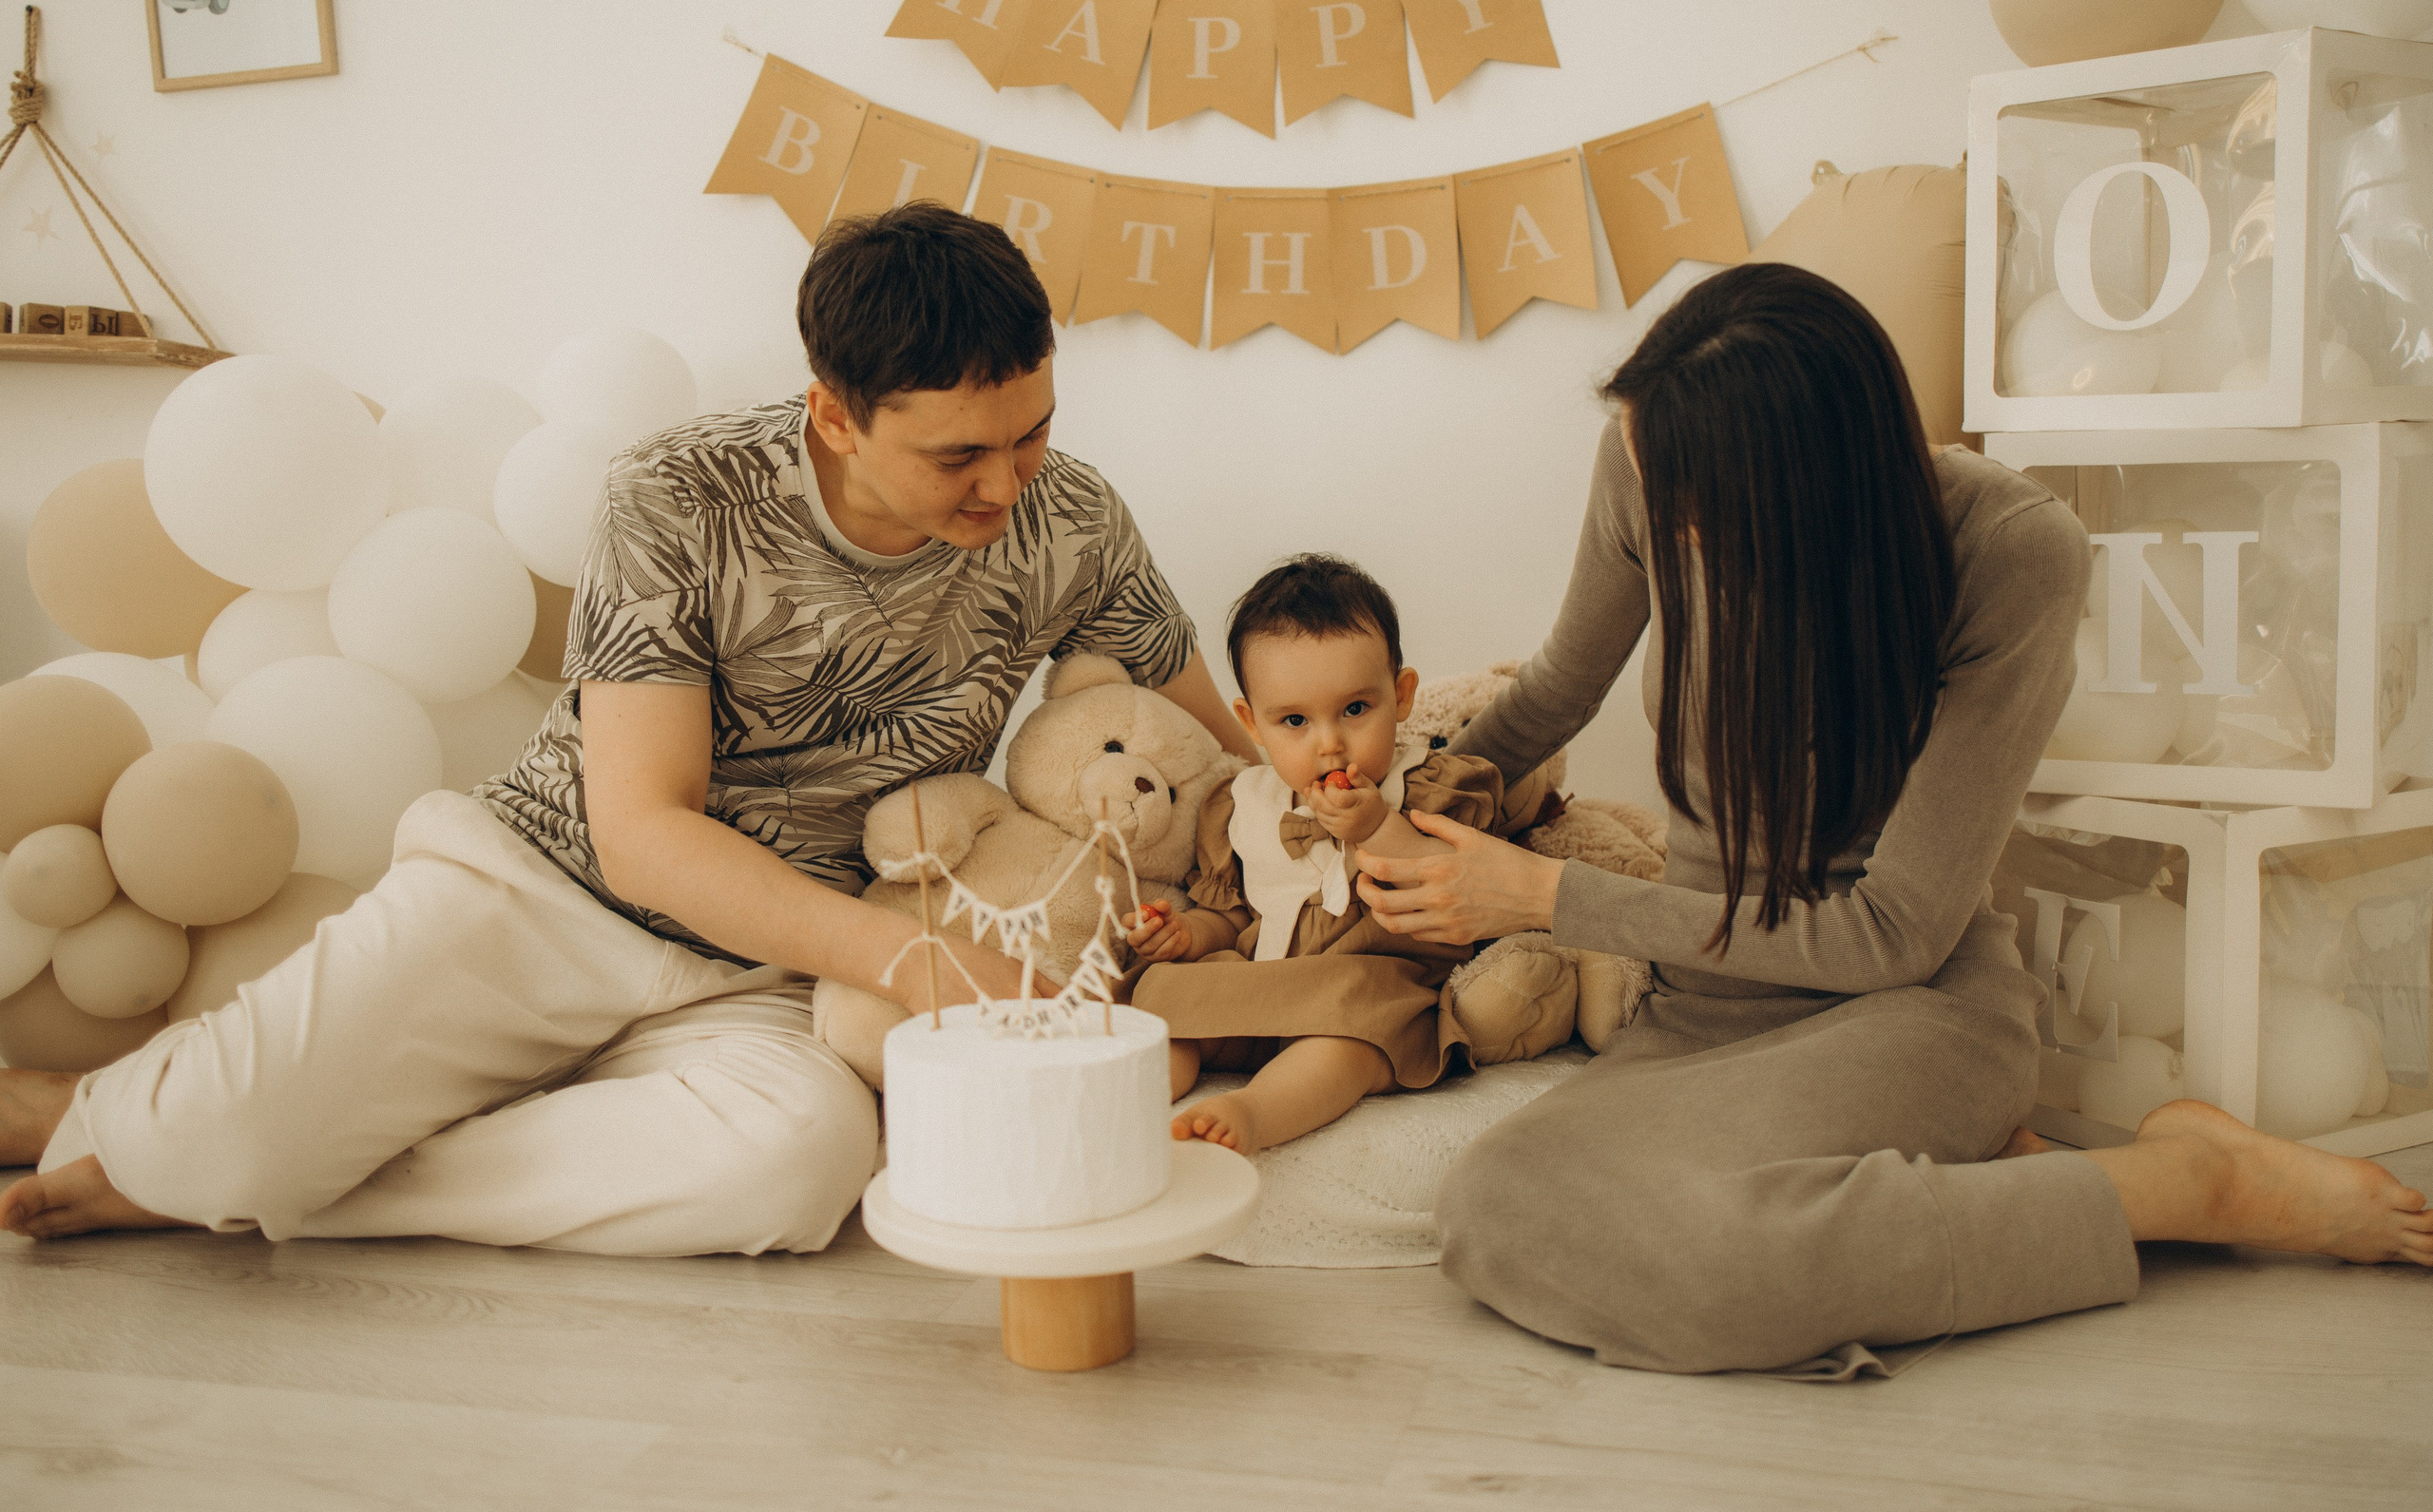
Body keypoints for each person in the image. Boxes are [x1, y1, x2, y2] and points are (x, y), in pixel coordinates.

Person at [0, 203, 1257, 1254]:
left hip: (776, 963)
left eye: (1034, 430)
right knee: (203, 1140)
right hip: (542, 891)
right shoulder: (680, 493)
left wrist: (1320, 833)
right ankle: (167, 1136)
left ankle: (288, 1178)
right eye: (958, 455)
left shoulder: (1071, 516)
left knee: (800, 1169)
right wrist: (918, 962)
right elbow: (645, 833)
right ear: (835, 416)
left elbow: (1212, 753)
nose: (1007, 482)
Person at [1350, 261, 2433, 1377]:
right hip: (1703, 1007)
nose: (1653, 510)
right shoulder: (1655, 457)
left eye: (1689, 514)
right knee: (1492, 1204)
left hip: (1907, 1006)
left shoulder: (2008, 549)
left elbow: (1892, 934)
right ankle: (1989, 1185)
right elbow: (1555, 691)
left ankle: (2184, 1188)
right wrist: (1392, 802)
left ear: (1803, 497)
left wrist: (1546, 896)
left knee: (1711, 1267)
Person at [1125, 555, 1498, 1154]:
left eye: (1355, 709)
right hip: (1263, 986)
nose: (1329, 744)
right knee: (1167, 996)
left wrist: (1377, 827)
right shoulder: (1240, 805)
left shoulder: (1431, 787)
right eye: (1294, 720)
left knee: (1355, 1041)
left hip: (1367, 987)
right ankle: (1129, 1104)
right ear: (1253, 723)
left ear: (1401, 695)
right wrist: (1186, 936)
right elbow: (1234, 917)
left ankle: (1255, 1110)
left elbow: (1452, 879)